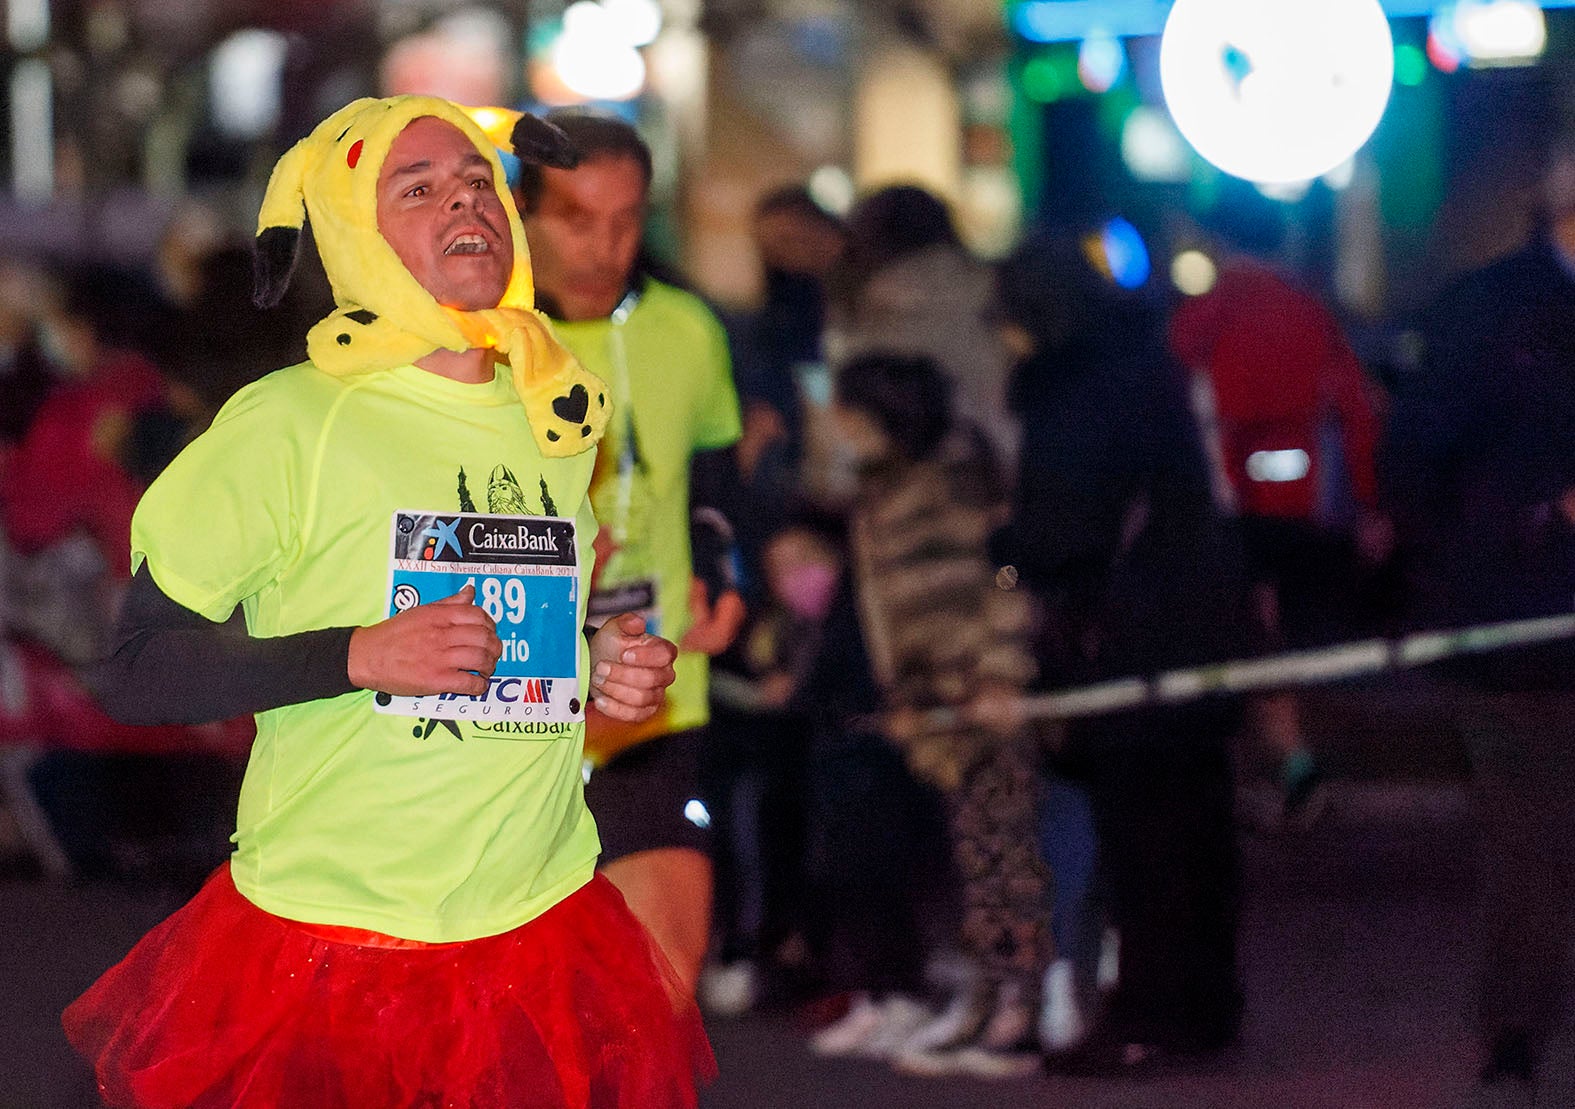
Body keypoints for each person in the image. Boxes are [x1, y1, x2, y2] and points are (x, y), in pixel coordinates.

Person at [62, 95, 711, 1109]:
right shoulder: (291, 422)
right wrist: (357, 653)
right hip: (329, 945)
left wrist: (602, 658)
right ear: (356, 235)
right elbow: (135, 668)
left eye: (476, 180)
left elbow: (521, 645)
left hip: (534, 932)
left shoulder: (555, 410)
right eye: (419, 187)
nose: (465, 199)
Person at [993, 227, 1253, 1074]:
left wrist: (1005, 554)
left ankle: (1146, 1012)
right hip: (1198, 620)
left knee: (1144, 839)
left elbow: (1062, 529)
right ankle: (1202, 1005)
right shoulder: (1148, 370)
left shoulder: (1070, 392)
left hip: (1126, 636)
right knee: (1197, 828)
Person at [514, 111, 745, 999]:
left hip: (652, 693)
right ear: (523, 212)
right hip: (516, 705)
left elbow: (719, 477)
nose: (602, 245)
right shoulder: (478, 343)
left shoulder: (688, 329)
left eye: (624, 219)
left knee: (659, 986)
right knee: (523, 1003)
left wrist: (725, 574)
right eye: (575, 217)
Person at [1382, 137, 1575, 1107]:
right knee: (1531, 843)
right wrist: (1531, 518)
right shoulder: (1492, 309)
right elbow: (1417, 460)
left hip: (1524, 610)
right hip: (1521, 625)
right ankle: (1514, 1028)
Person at [812, 351, 1052, 1079]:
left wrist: (1003, 672)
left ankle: (1018, 1007)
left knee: (1005, 853)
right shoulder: (878, 485)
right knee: (975, 856)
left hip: (980, 694)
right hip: (930, 701)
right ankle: (987, 998)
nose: (835, 425)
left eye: (846, 411)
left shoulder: (953, 474)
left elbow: (1002, 573)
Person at [1169, 185, 1390, 822]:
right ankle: (1292, 767)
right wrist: (1371, 504)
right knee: (1273, 637)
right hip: (1303, 503)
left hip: (1222, 505)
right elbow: (1355, 409)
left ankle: (1281, 772)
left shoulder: (1202, 317)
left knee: (1244, 639)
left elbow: (1171, 413)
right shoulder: (1308, 310)